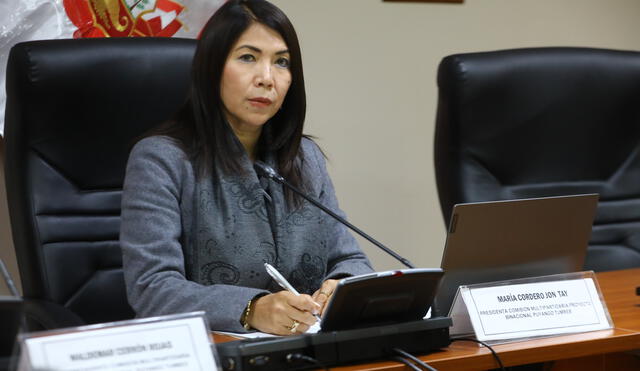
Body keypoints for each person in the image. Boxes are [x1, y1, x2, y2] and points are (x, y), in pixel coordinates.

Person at [120, 0, 373, 336]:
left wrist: (339, 288)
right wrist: (251, 309)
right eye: (248, 57)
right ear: (211, 68)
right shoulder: (162, 160)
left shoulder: (304, 158)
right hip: (209, 351)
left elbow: (350, 261)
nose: (267, 78)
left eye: (281, 62)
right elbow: (152, 289)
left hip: (302, 349)